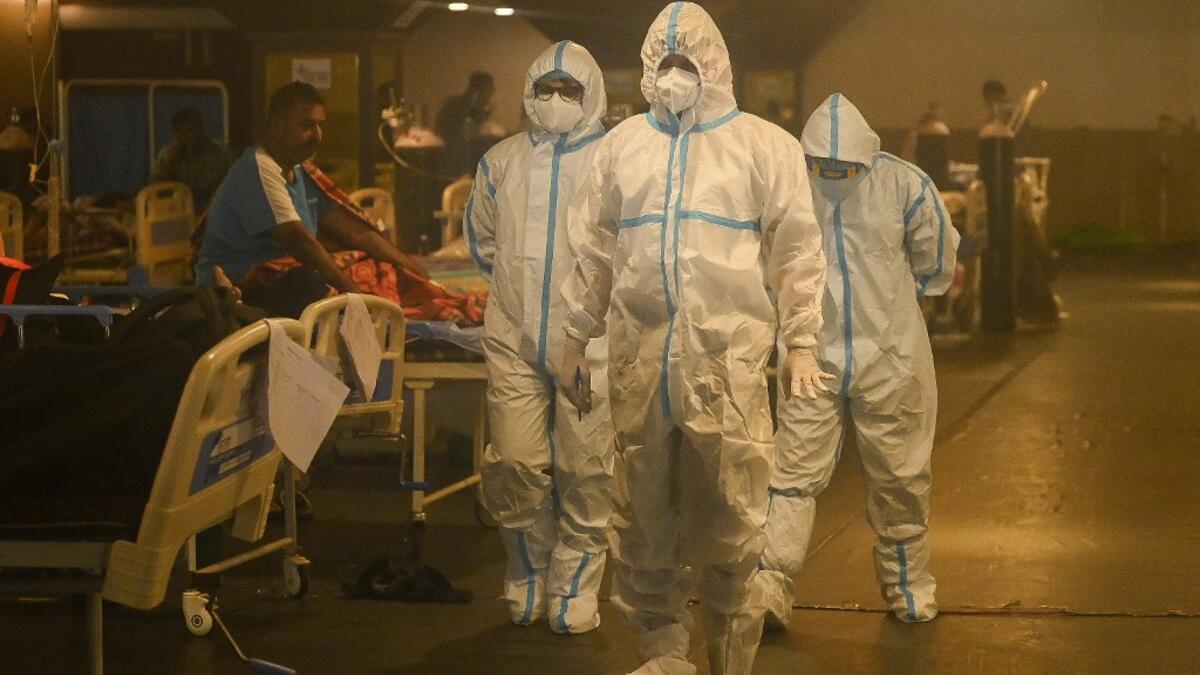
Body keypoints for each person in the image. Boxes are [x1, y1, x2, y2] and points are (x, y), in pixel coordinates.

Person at [557, 4, 827, 673]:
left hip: (726, 363)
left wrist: (802, 339)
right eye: (664, 63)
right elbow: (592, 249)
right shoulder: (621, 148)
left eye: (687, 63)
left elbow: (797, 249)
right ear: (648, 67)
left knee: (734, 511)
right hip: (639, 360)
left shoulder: (763, 145)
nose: (675, 76)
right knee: (640, 515)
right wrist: (572, 334)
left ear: (713, 66)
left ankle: (732, 657)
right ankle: (664, 656)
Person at [755, 93, 959, 627]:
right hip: (811, 354)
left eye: (843, 167)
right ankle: (771, 586)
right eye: (824, 165)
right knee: (793, 470)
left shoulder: (904, 185)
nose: (833, 174)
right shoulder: (789, 185)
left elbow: (938, 255)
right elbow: (932, 264)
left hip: (889, 355)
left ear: (867, 157)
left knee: (900, 473)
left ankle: (909, 586)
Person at [464, 40, 614, 635]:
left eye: (569, 90)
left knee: (586, 466)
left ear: (590, 93)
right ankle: (529, 567)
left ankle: (576, 582)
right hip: (514, 337)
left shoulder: (615, 158)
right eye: (545, 89)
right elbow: (484, 242)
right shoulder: (500, 161)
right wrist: (521, 295)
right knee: (516, 461)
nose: (555, 100)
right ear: (528, 93)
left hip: (591, 342)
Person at [193, 81, 427, 315]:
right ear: (276, 127)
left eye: (319, 126)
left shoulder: (301, 173)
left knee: (379, 265)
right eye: (307, 125)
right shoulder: (257, 169)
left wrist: (414, 270)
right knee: (310, 282)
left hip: (278, 284)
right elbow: (300, 243)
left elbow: (358, 234)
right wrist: (361, 300)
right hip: (236, 294)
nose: (316, 135)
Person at [153, 106, 232, 208]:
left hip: (213, 207)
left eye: (192, 130)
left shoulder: (221, 151)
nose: (189, 137)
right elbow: (155, 188)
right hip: (180, 209)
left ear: (200, 128)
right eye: (182, 132)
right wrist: (170, 162)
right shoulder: (167, 154)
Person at [435, 72, 498, 177]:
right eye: (489, 90)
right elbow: (461, 134)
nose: (491, 94)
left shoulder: (478, 109)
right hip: (457, 164)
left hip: (468, 164)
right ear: (477, 90)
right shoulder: (458, 107)